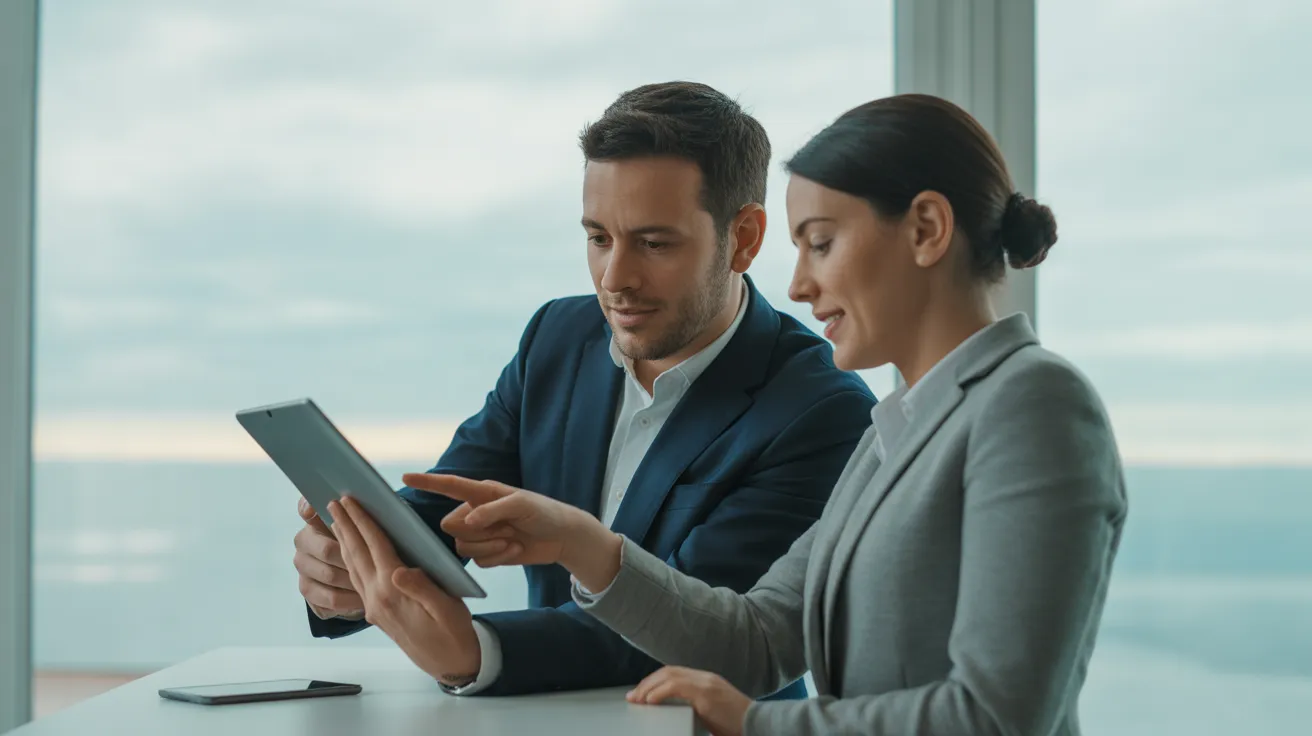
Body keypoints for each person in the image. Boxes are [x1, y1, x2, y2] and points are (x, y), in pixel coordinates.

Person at [387, 93, 1129, 735]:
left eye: (822, 243)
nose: (800, 286)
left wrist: (757, 724)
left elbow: (997, 718)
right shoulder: (895, 432)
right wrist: (586, 547)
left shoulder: (1034, 405)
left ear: (927, 230)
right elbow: (755, 638)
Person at [292, 81, 876, 699]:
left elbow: (702, 632)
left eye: (654, 243)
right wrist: (352, 570)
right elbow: (447, 512)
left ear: (746, 238)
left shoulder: (823, 411)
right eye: (598, 238)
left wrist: (478, 651)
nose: (615, 278)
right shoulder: (557, 337)